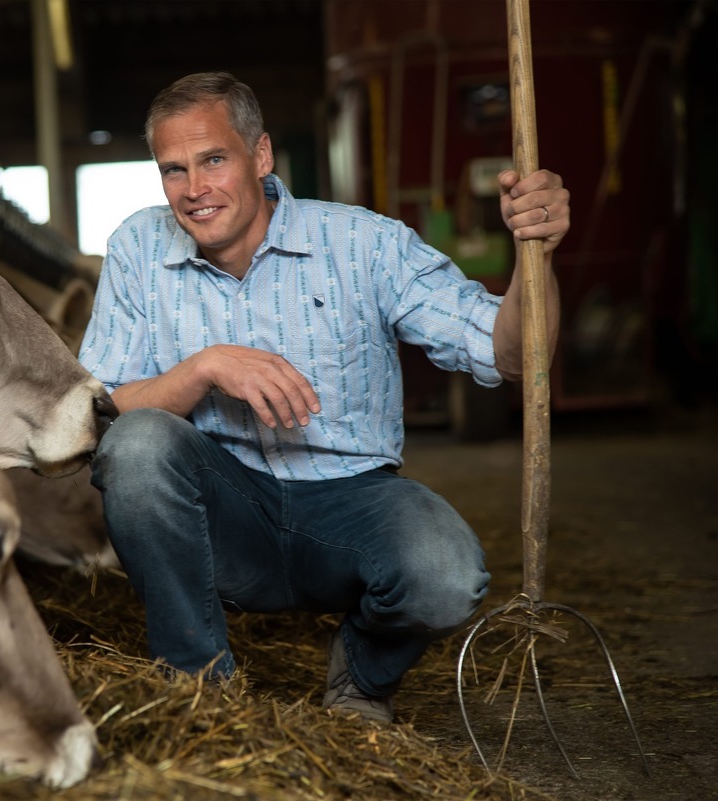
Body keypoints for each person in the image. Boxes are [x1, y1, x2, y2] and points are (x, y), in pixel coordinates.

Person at [77, 71, 569, 724]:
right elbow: (101, 408)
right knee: (137, 445)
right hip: (225, 518)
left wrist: (538, 252)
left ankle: (361, 679)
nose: (194, 190)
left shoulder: (365, 244)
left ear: (260, 156)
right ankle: (198, 693)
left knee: (444, 573)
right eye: (173, 169)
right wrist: (203, 369)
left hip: (351, 508)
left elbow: (511, 354)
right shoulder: (138, 248)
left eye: (214, 160)